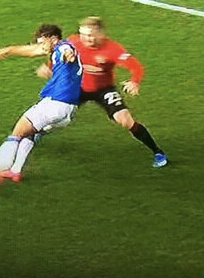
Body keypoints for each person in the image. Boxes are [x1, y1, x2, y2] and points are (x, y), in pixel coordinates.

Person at [0, 24, 83, 182]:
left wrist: (69, 56)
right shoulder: (56, 47)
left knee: (17, 133)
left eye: (43, 43)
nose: (41, 47)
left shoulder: (63, 48)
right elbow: (32, 51)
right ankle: (15, 171)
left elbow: (68, 53)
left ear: (53, 39)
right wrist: (8, 50)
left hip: (55, 104)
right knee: (31, 134)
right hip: (68, 111)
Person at [67, 16, 168, 168]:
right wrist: (49, 68)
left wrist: (135, 81)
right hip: (79, 87)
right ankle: (33, 133)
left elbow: (135, 66)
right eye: (83, 34)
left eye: (90, 35)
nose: (86, 38)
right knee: (55, 114)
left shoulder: (112, 49)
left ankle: (158, 152)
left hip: (104, 90)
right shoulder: (73, 42)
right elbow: (58, 55)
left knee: (125, 120)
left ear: (100, 34)